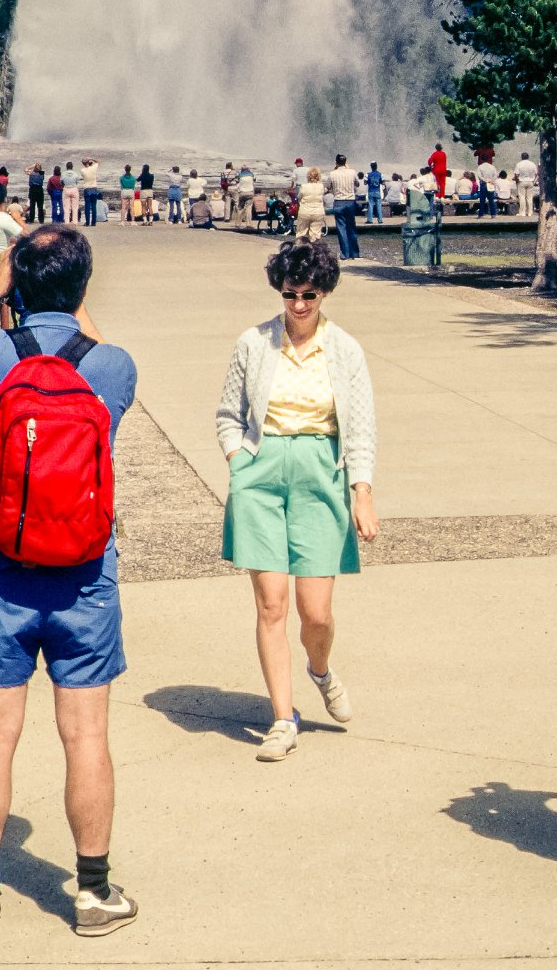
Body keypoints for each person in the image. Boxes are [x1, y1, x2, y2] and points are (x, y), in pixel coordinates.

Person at [0, 226, 139, 939]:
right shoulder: (111, 365)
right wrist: (71, 298)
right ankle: (92, 893)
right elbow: (96, 349)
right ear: (83, 286)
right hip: (84, 578)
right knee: (85, 735)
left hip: (0, 574)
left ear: (18, 283)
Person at [216, 236, 377, 762]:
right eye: (290, 294)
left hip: (320, 473)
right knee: (271, 605)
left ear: (324, 291)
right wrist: (239, 461)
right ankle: (283, 719)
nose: (300, 304)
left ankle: (321, 671)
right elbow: (228, 415)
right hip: (261, 473)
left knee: (317, 613)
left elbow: (361, 428)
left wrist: (362, 490)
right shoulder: (254, 343)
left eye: (309, 294)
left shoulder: (345, 349)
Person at [327, 156, 360, 260]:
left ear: (336, 163)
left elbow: (328, 187)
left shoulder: (332, 174)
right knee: (351, 227)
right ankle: (354, 253)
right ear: (346, 162)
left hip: (338, 201)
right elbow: (357, 184)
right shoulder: (352, 172)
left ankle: (345, 254)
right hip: (350, 201)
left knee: (341, 228)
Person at [294, 168, 326, 243]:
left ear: (308, 176)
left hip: (305, 211)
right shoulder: (321, 186)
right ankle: (314, 248)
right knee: (315, 235)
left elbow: (299, 197)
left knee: (301, 233)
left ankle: (300, 248)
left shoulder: (303, 186)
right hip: (318, 212)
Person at [512, 151, 538, 219]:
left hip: (521, 181)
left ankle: (522, 212)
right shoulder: (532, 164)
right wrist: (534, 181)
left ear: (521, 157)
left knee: (522, 197)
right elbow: (536, 174)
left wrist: (516, 180)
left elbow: (516, 174)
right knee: (529, 198)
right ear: (528, 157)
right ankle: (530, 213)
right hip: (530, 182)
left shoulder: (519, 164)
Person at [81, 157, 100, 227]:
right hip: (94, 187)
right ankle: (93, 222)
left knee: (87, 206)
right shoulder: (93, 168)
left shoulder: (82, 170)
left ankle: (87, 222)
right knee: (94, 206)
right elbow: (98, 162)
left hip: (87, 188)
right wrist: (91, 158)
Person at [61, 160, 80, 225]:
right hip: (74, 188)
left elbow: (61, 181)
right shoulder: (75, 173)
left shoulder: (63, 173)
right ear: (72, 167)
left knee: (66, 207)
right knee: (75, 207)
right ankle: (75, 221)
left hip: (66, 189)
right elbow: (77, 181)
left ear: (66, 167)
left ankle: (67, 222)